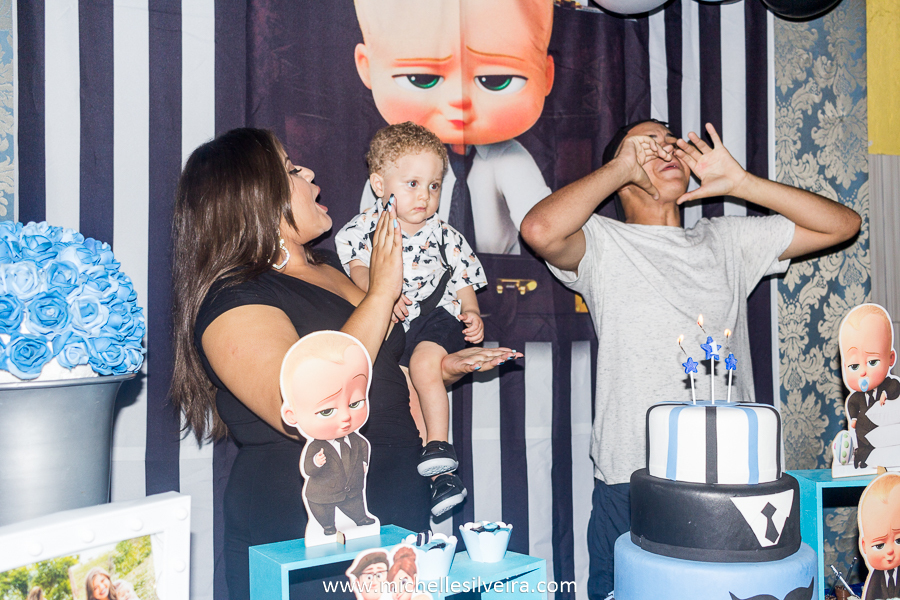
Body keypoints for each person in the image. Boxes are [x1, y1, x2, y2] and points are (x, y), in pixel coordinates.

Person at [170, 128, 520, 600]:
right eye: (292, 169)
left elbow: (380, 370)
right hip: (306, 541)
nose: (309, 172)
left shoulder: (331, 269)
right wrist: (380, 292)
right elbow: (308, 404)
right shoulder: (234, 297)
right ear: (255, 197)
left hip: (396, 509)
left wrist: (444, 367)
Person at [520, 119, 861, 598]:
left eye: (671, 142)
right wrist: (621, 167)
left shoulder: (726, 240)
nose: (665, 149)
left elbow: (844, 224)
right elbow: (538, 229)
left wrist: (743, 183)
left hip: (733, 474)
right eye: (646, 144)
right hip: (632, 475)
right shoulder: (601, 240)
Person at [336, 122, 486, 517]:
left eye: (434, 186)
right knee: (404, 394)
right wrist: (381, 296)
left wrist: (470, 311)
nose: (425, 196)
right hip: (395, 323)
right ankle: (438, 479)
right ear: (380, 185)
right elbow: (359, 270)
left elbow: (463, 278)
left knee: (425, 366)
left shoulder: (446, 235)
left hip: (436, 317)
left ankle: (440, 448)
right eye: (413, 184)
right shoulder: (363, 229)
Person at [353, 0, 554, 254]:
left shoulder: (509, 159)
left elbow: (544, 223)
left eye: (496, 80)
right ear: (367, 66)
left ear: (546, 75)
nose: (459, 102)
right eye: (422, 78)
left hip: (494, 281)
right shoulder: (395, 159)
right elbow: (369, 236)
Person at [280, 331, 378, 539]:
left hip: (352, 489)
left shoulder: (357, 440)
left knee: (356, 505)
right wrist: (315, 462)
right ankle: (327, 526)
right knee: (324, 512)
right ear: (292, 415)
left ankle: (360, 518)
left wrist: (363, 463)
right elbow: (308, 469)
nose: (345, 417)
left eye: (354, 404)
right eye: (327, 411)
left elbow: (362, 451)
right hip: (322, 494)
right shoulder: (316, 448)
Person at [840, 304, 900, 469]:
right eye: (854, 366)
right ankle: (859, 458)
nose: (863, 372)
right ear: (845, 366)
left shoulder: (888, 385)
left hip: (884, 441)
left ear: (891, 359)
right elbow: (852, 404)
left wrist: (886, 394)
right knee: (862, 451)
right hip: (862, 435)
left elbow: (895, 387)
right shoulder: (856, 397)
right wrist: (853, 418)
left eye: (872, 362)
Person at [858, 473, 900, 600]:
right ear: (864, 546)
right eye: (879, 545)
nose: (890, 551)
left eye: (899, 540)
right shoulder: (875, 578)